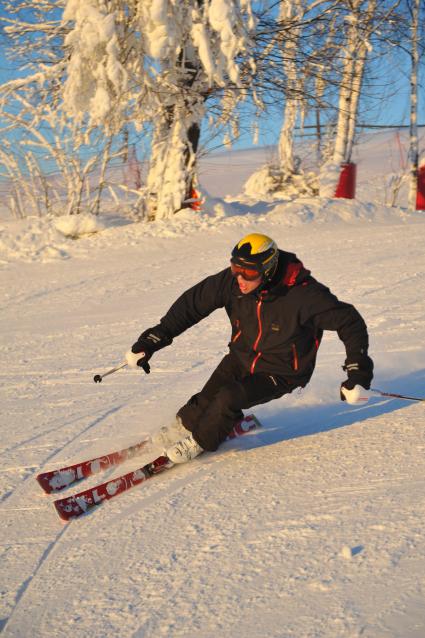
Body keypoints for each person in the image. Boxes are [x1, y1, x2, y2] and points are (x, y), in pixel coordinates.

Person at [125, 233, 373, 464]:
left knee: (229, 398)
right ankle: (185, 426)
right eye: (236, 269)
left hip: (283, 370)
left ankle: (200, 441)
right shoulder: (233, 283)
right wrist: (154, 338)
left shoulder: (304, 296)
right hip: (242, 356)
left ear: (268, 269)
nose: (240, 278)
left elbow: (349, 322)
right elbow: (192, 305)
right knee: (206, 399)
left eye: (249, 273)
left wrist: (357, 372)